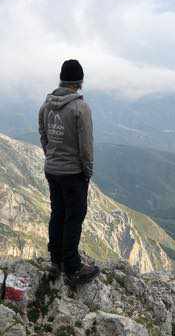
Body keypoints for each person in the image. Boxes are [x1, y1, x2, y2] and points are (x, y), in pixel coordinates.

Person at [38, 59, 99, 286]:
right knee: (75, 216)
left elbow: (43, 135)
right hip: (73, 173)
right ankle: (73, 267)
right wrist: (87, 170)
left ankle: (56, 260)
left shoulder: (46, 105)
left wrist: (51, 157)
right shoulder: (80, 108)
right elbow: (86, 146)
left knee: (58, 213)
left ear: (62, 79)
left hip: (52, 169)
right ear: (79, 81)